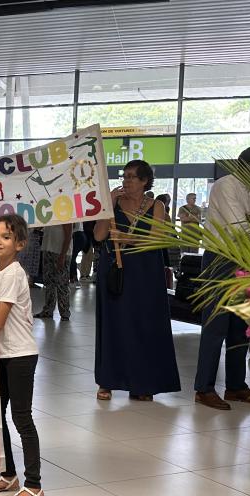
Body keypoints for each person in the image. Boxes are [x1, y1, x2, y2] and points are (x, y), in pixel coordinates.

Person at [192, 147, 250, 410]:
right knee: (216, 326)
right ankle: (204, 388)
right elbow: (240, 229)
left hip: (244, 260)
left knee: (241, 326)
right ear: (249, 165)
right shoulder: (225, 185)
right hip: (220, 259)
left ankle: (236, 386)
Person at [92, 160, 182, 402]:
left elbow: (156, 240)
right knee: (113, 324)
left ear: (144, 181)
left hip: (145, 273)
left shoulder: (157, 206)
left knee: (144, 325)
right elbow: (99, 235)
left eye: (132, 177)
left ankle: (143, 383)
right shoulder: (114, 204)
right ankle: (107, 381)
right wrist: (108, 204)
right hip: (115, 271)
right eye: (125, 176)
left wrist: (125, 238)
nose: (127, 181)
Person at [0, 214, 43, 496]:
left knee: (22, 418)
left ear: (20, 244)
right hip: (0, 355)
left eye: (5, 236)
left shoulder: (14, 273)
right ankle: (9, 474)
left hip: (20, 355)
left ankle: (34, 485)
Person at [36, 224, 73, 320]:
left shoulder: (65, 215)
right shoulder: (49, 213)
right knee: (49, 282)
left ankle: (64, 312)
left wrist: (63, 255)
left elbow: (68, 236)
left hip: (60, 252)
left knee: (62, 284)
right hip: (48, 249)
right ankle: (48, 310)